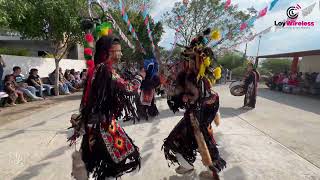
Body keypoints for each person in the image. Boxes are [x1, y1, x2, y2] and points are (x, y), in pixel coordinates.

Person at [68, 36, 141, 179]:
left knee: (101, 159)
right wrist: (139, 78)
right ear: (107, 52)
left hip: (94, 122)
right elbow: (128, 88)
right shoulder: (106, 70)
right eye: (117, 51)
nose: (120, 54)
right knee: (117, 157)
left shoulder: (96, 69)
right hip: (102, 124)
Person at [163, 38, 225, 179]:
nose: (189, 63)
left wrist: (192, 99)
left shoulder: (200, 79)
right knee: (176, 141)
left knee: (202, 145)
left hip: (197, 121)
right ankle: (188, 166)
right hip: (193, 118)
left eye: (192, 60)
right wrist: (168, 86)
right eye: (188, 60)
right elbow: (177, 92)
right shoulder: (187, 76)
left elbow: (208, 98)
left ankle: (206, 171)